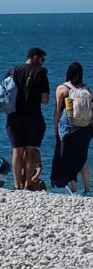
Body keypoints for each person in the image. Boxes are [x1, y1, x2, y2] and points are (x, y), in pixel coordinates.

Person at [5, 47, 51, 190]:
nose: (43, 63)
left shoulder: (12, 71)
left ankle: (16, 185)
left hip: (13, 116)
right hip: (33, 116)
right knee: (30, 150)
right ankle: (27, 185)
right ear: (35, 57)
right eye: (42, 59)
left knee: (17, 151)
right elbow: (45, 100)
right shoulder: (41, 72)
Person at [51, 62, 93, 194]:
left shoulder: (62, 89)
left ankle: (74, 188)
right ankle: (87, 189)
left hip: (69, 127)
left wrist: (55, 129)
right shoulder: (86, 89)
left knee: (69, 156)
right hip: (86, 127)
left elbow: (57, 110)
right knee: (83, 157)